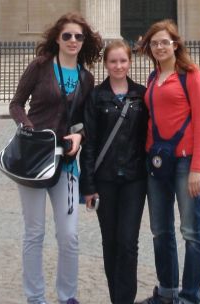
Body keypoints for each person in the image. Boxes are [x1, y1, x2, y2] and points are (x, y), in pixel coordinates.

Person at [9, 12, 102, 304]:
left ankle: (67, 296)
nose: (73, 40)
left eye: (78, 36)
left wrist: (80, 136)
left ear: (84, 41)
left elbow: (86, 120)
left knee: (69, 236)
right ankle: (35, 297)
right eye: (67, 35)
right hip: (34, 160)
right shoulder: (40, 66)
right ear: (57, 39)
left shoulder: (87, 78)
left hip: (66, 163)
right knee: (34, 232)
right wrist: (28, 127)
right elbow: (16, 104)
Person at [136, 19, 200, 304]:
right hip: (158, 162)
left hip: (185, 162)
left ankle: (189, 297)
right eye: (154, 43)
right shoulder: (153, 78)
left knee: (191, 231)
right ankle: (167, 293)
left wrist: (197, 168)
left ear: (175, 44)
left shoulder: (191, 74)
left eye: (164, 42)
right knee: (160, 230)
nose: (159, 47)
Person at [80, 39, 148, 304]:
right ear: (105, 64)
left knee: (128, 243)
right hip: (105, 179)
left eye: (123, 60)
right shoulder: (96, 97)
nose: (118, 66)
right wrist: (88, 186)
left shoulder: (141, 94)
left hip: (134, 178)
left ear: (130, 62)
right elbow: (89, 144)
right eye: (113, 61)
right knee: (110, 242)